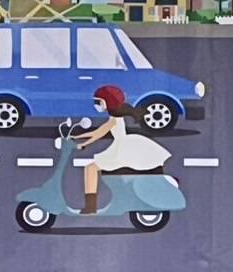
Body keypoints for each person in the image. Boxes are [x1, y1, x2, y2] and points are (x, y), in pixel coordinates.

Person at [68, 85, 171, 214]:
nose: (97, 105)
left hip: (121, 149)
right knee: (94, 168)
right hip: (123, 146)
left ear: (108, 102)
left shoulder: (114, 119)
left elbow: (98, 133)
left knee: (91, 168)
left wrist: (83, 144)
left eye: (99, 102)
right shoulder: (115, 117)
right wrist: (77, 137)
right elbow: (96, 133)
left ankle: (91, 206)